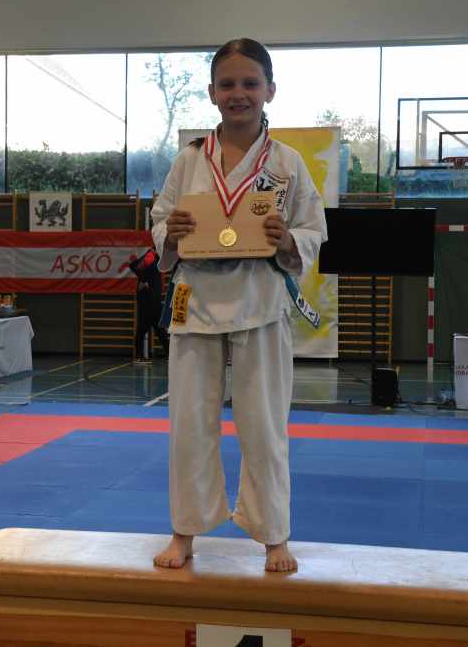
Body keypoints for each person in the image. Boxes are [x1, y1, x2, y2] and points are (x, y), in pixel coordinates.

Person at [150, 39, 326, 573]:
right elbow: (160, 220)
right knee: (188, 424)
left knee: (264, 425)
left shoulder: (287, 162)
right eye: (227, 84)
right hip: (195, 301)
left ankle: (274, 536)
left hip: (260, 300)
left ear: (270, 90)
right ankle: (185, 531)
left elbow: (313, 228)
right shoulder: (189, 160)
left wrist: (287, 239)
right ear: (211, 93)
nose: (238, 93)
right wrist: (171, 232)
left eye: (250, 83)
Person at [129, 248, 169, 359]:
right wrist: (144, 280)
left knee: (160, 330)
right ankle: (139, 356)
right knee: (142, 329)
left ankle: (169, 355)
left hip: (155, 301)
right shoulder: (150, 256)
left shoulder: (158, 259)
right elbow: (133, 266)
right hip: (146, 301)